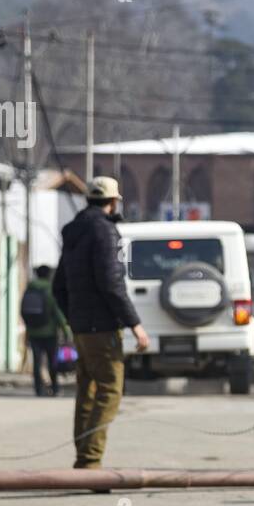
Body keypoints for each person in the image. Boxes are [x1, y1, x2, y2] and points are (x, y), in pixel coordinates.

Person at [53, 176, 149, 469]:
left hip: (81, 327)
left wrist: (74, 319)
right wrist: (136, 325)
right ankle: (90, 461)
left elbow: (58, 286)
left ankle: (83, 456)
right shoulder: (105, 232)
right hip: (103, 327)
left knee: (87, 391)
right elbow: (111, 283)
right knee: (110, 389)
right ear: (113, 202)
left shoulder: (74, 233)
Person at [22, 265, 71, 397]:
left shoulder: (29, 288)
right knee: (52, 362)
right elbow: (56, 312)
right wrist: (66, 330)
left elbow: (24, 310)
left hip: (33, 332)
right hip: (50, 333)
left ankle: (38, 389)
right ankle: (54, 388)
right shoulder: (50, 290)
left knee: (37, 363)